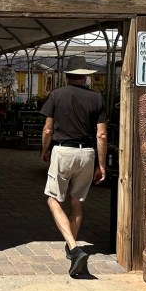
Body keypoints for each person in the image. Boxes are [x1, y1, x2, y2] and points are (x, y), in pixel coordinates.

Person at [40, 56, 108, 277]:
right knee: (77, 202)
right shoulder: (97, 98)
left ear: (67, 75)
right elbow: (102, 134)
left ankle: (74, 247)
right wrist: (101, 164)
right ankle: (71, 249)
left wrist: (44, 149)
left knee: (53, 199)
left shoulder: (56, 95)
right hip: (87, 153)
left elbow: (48, 129)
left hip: (63, 151)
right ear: (85, 76)